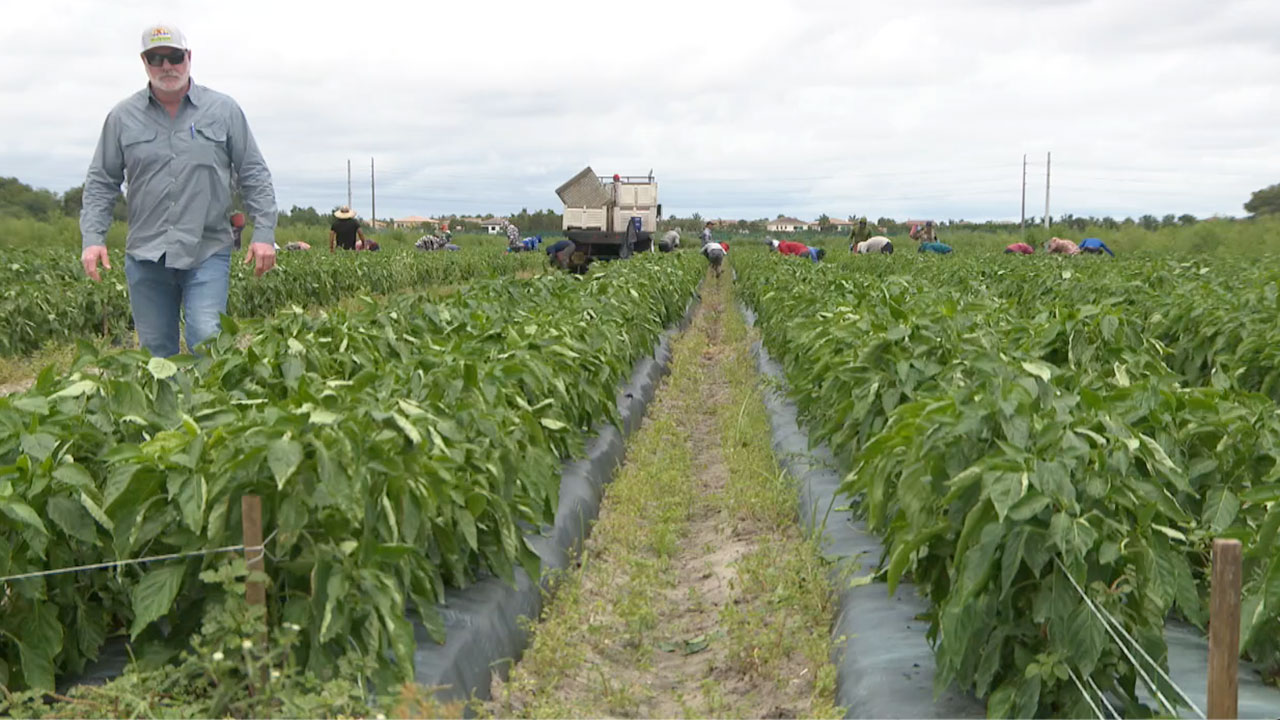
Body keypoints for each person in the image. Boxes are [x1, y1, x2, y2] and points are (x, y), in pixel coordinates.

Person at [80, 24, 277, 358]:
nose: (166, 66)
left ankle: (209, 408)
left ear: (188, 58)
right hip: (146, 253)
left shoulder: (223, 110)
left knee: (207, 336)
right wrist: (93, 238)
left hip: (207, 248)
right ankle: (167, 410)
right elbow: (101, 181)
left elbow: (253, 172)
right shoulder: (122, 117)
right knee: (156, 350)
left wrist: (264, 232)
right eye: (156, 58)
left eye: (173, 56)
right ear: (145, 62)